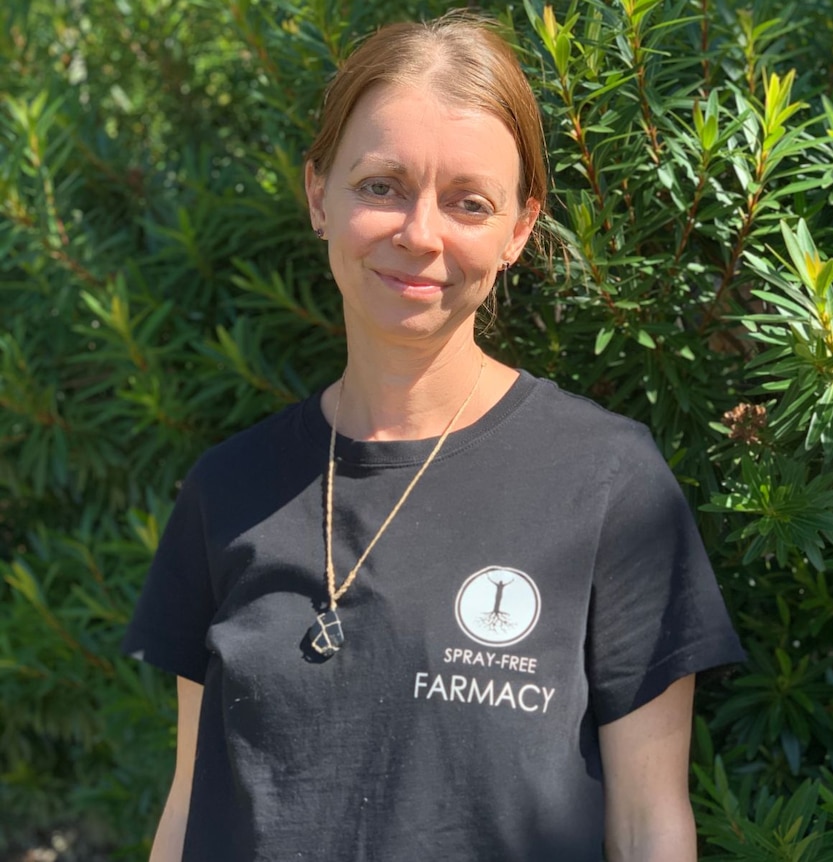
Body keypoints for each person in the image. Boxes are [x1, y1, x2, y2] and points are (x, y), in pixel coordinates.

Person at [123, 11, 744, 862]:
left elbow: (648, 827)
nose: (420, 234)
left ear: (518, 232)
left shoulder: (608, 484)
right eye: (381, 185)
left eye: (468, 202)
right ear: (318, 196)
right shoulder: (229, 489)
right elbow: (190, 806)